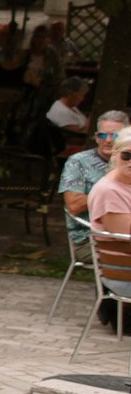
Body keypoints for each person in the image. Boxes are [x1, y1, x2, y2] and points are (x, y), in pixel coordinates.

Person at [60, 111, 130, 264]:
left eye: (115, 135)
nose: (109, 140)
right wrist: (112, 196)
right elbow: (74, 205)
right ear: (96, 137)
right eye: (103, 136)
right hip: (89, 239)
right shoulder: (78, 162)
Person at [87, 128, 131, 298]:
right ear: (114, 155)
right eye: (126, 155)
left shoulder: (125, 181)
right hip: (123, 274)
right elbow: (126, 239)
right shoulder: (109, 192)